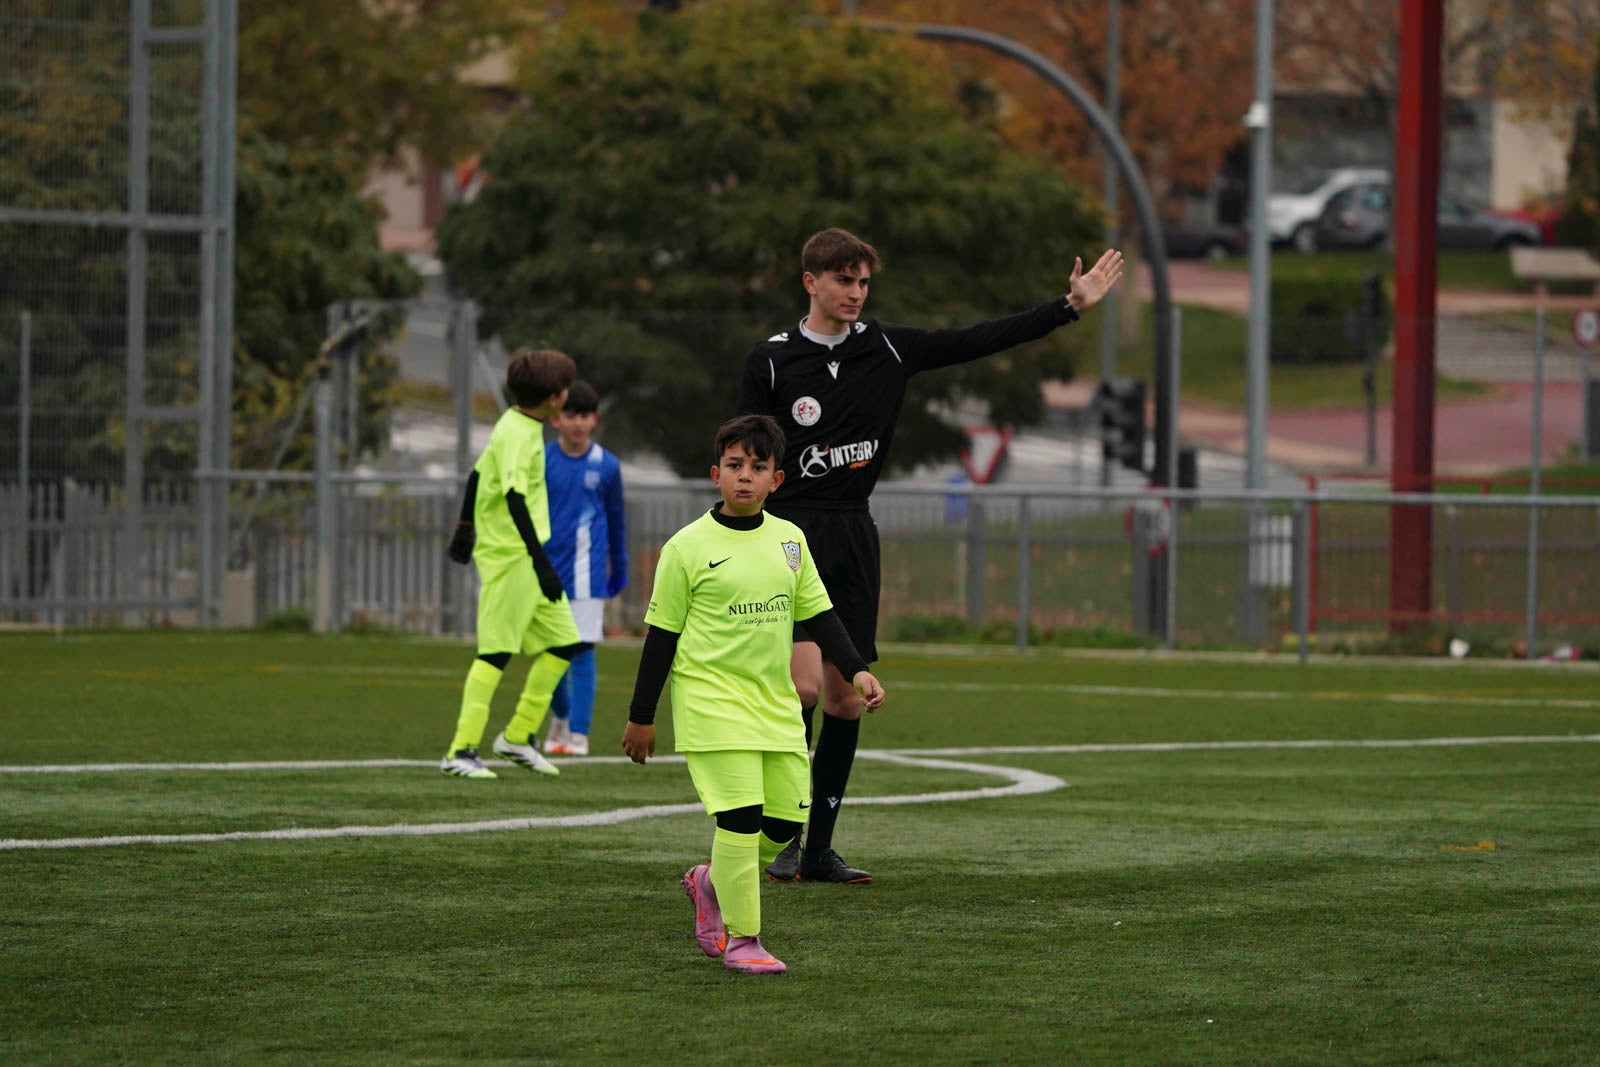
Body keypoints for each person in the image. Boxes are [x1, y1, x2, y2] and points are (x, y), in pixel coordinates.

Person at [737, 227, 1124, 883]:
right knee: (800, 686)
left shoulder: (891, 347)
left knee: (844, 701)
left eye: (863, 282)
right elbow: (744, 447)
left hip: (854, 533)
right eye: (843, 280)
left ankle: (817, 849)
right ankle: (782, 833)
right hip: (788, 534)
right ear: (811, 282)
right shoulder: (771, 361)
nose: (856, 293)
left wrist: (1068, 307)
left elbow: (979, 338)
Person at [621, 414, 885, 975]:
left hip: (774, 704)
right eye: (735, 466)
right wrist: (641, 717)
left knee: (787, 821)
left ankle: (710, 881)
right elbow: (660, 638)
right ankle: (743, 940)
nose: (745, 477)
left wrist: (857, 670)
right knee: (738, 818)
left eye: (758, 468)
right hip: (712, 704)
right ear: (716, 474)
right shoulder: (685, 548)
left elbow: (820, 614)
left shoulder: (790, 542)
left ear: (776, 481)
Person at [441, 347, 587, 779]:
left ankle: (518, 736)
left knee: (563, 643)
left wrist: (464, 526)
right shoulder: (517, 433)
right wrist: (542, 564)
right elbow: (513, 497)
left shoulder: (517, 423)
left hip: (528, 556)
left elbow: (475, 474)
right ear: (556, 398)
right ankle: (460, 749)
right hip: (512, 558)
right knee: (495, 653)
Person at [540, 381, 629, 758]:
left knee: (581, 651)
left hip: (586, 573)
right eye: (569, 415)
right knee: (547, 653)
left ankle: (578, 733)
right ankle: (559, 717)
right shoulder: (541, 460)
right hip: (543, 571)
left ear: (595, 420)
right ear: (556, 419)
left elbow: (616, 517)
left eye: (584, 415)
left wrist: (619, 564)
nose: (577, 423)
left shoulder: (606, 465)